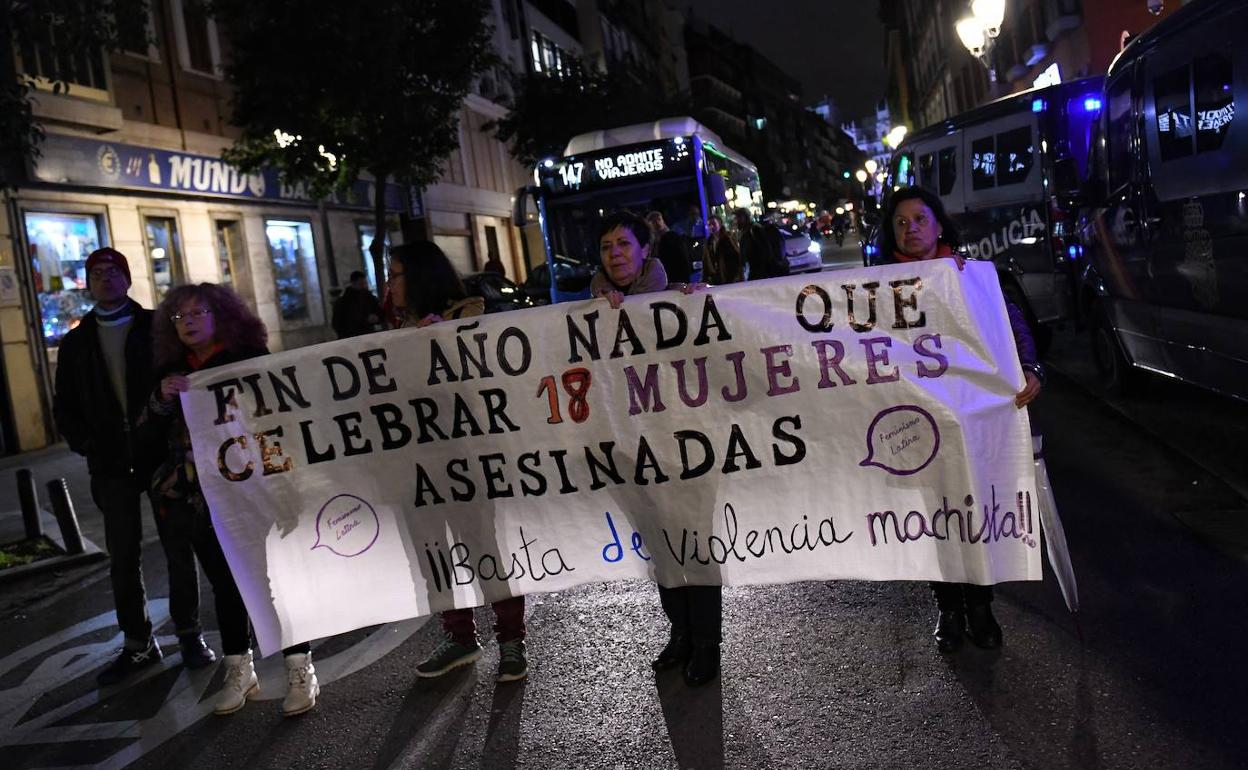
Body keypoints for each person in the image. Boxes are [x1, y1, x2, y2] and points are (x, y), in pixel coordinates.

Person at [877, 186, 1044, 652]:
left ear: (939, 224)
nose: (911, 229)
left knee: (974, 511)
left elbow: (1011, 324)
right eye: (901, 223)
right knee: (934, 516)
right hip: (914, 421)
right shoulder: (875, 287)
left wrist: (1031, 368)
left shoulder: (971, 276)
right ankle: (948, 607)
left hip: (971, 420)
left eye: (919, 219)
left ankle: (980, 606)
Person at [141, 283, 320, 716]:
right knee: (225, 581)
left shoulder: (248, 361)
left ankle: (300, 668)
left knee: (275, 578)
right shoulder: (168, 371)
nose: (188, 323)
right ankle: (240, 669)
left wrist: (283, 484)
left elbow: (277, 422)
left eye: (197, 313)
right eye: (180, 317)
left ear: (219, 316)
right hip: (200, 496)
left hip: (255, 489)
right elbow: (145, 434)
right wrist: (162, 400)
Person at [52, 247, 212, 686]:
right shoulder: (77, 341)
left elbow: (186, 378)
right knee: (123, 556)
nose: (105, 279)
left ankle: (189, 634)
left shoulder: (156, 328)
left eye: (112, 271)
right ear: (88, 282)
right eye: (96, 273)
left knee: (178, 548)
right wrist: (86, 444)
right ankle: (138, 644)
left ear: (127, 278)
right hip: (109, 464)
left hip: (161, 456)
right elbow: (64, 405)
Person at [388, 241, 527, 683]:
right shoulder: (394, 328)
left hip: (466, 459)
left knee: (484, 545)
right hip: (417, 463)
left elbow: (484, 384)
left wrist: (437, 345)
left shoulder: (468, 316)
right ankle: (459, 636)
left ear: (420, 276)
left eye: (396, 274)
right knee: (433, 552)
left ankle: (511, 640)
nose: (388, 284)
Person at [593, 211, 720, 686]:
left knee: (697, 546)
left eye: (624, 244)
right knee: (661, 546)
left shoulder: (677, 298)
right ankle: (681, 634)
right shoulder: (591, 310)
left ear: (645, 251)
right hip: (631, 452)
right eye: (606, 247)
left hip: (688, 448)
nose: (615, 255)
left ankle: (707, 643)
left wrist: (702, 305)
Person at [732, 208, 787, 280]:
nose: (735, 221)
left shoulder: (754, 230)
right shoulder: (746, 232)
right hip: (758, 274)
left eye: (737, 218)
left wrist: (759, 273)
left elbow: (764, 251)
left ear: (744, 217)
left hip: (761, 275)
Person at [331, 270, 383, 338]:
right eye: (361, 284)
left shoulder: (369, 297)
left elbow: (380, 313)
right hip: (351, 339)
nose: (364, 286)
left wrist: (377, 318)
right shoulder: (343, 302)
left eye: (364, 283)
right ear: (353, 283)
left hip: (368, 337)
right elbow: (338, 323)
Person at [645, 211, 692, 284]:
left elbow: (682, 259)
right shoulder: (653, 242)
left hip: (676, 280)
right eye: (653, 221)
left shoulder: (672, 237)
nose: (657, 223)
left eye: (659, 219)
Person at [701, 214, 742, 285]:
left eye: (714, 224)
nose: (711, 226)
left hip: (730, 279)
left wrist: (736, 276)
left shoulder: (728, 238)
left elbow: (736, 257)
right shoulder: (709, 242)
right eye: (709, 224)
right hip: (717, 280)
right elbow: (706, 262)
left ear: (720, 224)